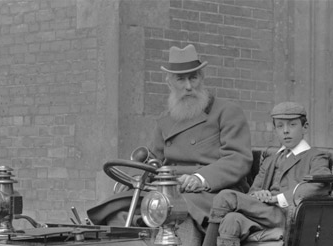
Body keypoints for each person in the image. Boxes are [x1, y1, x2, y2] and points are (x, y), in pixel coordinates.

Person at [88, 44, 252, 228]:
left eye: (193, 78)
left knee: (177, 211)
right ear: (170, 83)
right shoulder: (165, 121)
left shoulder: (227, 112)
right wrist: (134, 179)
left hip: (215, 190)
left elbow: (238, 159)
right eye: (181, 80)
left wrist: (199, 179)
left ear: (202, 78)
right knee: (116, 209)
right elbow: (151, 161)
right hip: (168, 188)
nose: (189, 86)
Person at [196, 102, 332, 246]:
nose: (285, 131)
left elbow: (319, 185)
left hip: (288, 217)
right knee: (230, 220)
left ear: (305, 127)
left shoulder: (316, 156)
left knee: (224, 197)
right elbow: (253, 191)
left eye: (292, 125)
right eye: (280, 126)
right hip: (263, 214)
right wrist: (259, 195)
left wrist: (277, 198)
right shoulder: (271, 159)